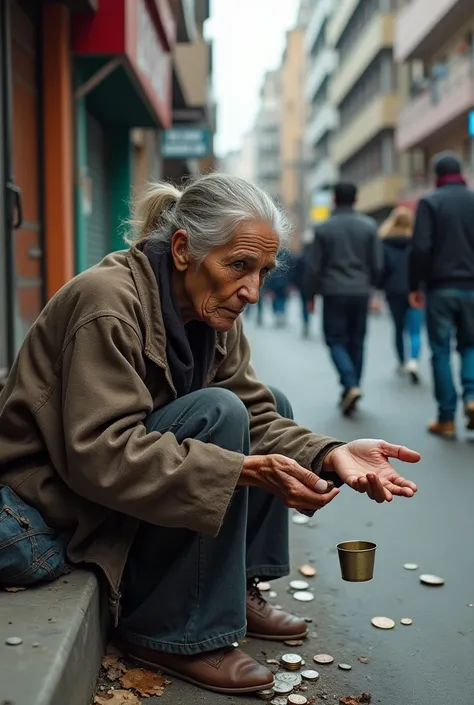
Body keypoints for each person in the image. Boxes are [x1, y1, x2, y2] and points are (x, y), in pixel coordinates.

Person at [0, 174, 419, 696]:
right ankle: (174, 630)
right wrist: (238, 470)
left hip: (114, 474)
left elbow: (261, 416)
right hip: (55, 487)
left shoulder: (212, 312)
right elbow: (98, 453)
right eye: (239, 265)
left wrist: (331, 453)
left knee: (267, 405)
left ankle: (233, 584)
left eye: (263, 271)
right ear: (182, 250)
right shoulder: (108, 302)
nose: (252, 291)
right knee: (220, 415)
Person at [410, 153, 474, 439]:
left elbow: (421, 248)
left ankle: (446, 417)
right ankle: (472, 397)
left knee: (441, 350)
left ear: (436, 175)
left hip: (441, 288)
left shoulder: (430, 202)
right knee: (471, 345)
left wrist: (415, 285)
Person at [304, 182, 383, 416]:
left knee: (335, 339)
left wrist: (310, 295)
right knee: (357, 340)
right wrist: (373, 288)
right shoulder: (369, 226)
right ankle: (354, 385)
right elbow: (377, 264)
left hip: (333, 291)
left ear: (335, 200)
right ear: (356, 199)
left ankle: (350, 384)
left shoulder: (324, 228)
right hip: (361, 291)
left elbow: (314, 266)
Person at [380, 206, 423, 383]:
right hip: (416, 290)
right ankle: (413, 361)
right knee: (415, 329)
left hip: (393, 291)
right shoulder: (418, 240)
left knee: (398, 328)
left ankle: (401, 360)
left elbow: (381, 268)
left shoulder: (384, 242)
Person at [291, 244, 313, 338]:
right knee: (309, 303)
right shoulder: (313, 259)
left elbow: (295, 273)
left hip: (302, 286)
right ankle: (307, 322)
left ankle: (306, 322)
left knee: (304, 304)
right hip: (312, 285)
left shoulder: (300, 259)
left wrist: (295, 284)